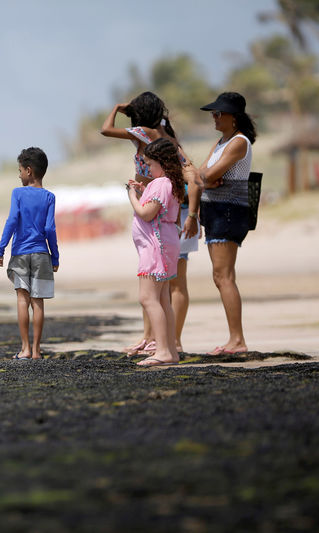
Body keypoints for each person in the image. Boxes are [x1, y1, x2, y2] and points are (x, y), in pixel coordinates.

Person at [100, 92, 202, 355]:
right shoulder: (167, 135)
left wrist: (116, 107)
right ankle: (154, 338)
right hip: (165, 209)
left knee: (166, 283)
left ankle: (169, 342)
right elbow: (191, 174)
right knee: (160, 282)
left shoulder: (145, 133)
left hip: (162, 211)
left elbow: (106, 130)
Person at [197, 92, 256, 355]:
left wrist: (206, 179)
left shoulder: (238, 142)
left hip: (228, 210)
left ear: (234, 117)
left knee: (224, 276)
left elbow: (206, 174)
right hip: (214, 209)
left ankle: (237, 340)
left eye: (219, 113)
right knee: (220, 276)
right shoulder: (221, 141)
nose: (214, 117)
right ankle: (235, 338)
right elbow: (199, 175)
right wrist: (207, 180)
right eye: (213, 113)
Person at [0, 147, 59, 360]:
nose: (19, 174)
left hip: (21, 252)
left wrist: (1, 249)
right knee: (38, 302)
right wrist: (55, 257)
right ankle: (37, 351)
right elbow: (50, 228)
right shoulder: (49, 197)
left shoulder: (18, 193)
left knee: (23, 299)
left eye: (20, 170)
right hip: (42, 254)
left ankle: (25, 349)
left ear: (29, 171)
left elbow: (12, 221)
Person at [126, 138, 185, 367]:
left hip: (156, 245)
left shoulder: (161, 183)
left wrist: (131, 195)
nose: (148, 169)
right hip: (165, 243)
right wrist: (144, 189)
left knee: (147, 297)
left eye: (150, 164)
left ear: (162, 162)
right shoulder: (168, 182)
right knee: (162, 298)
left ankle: (162, 350)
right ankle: (169, 349)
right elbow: (158, 205)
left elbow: (147, 213)